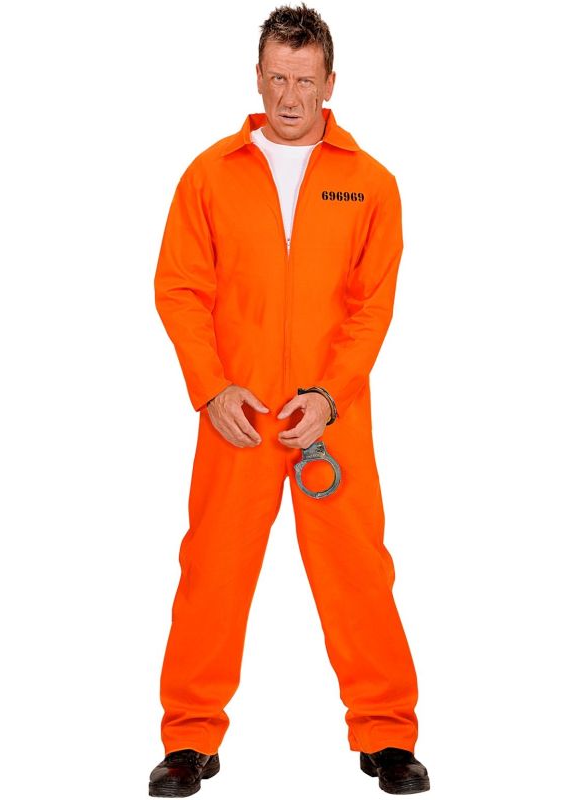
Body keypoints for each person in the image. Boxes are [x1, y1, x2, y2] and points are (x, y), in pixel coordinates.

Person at [148, 4, 430, 796]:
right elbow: (180, 289)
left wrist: (329, 396)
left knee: (357, 569)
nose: (289, 96)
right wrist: (211, 388)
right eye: (276, 77)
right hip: (237, 415)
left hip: (329, 420)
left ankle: (386, 733)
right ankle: (189, 738)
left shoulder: (370, 184)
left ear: (331, 82)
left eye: (304, 80)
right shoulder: (210, 175)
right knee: (211, 569)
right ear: (257, 77)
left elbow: (373, 307)